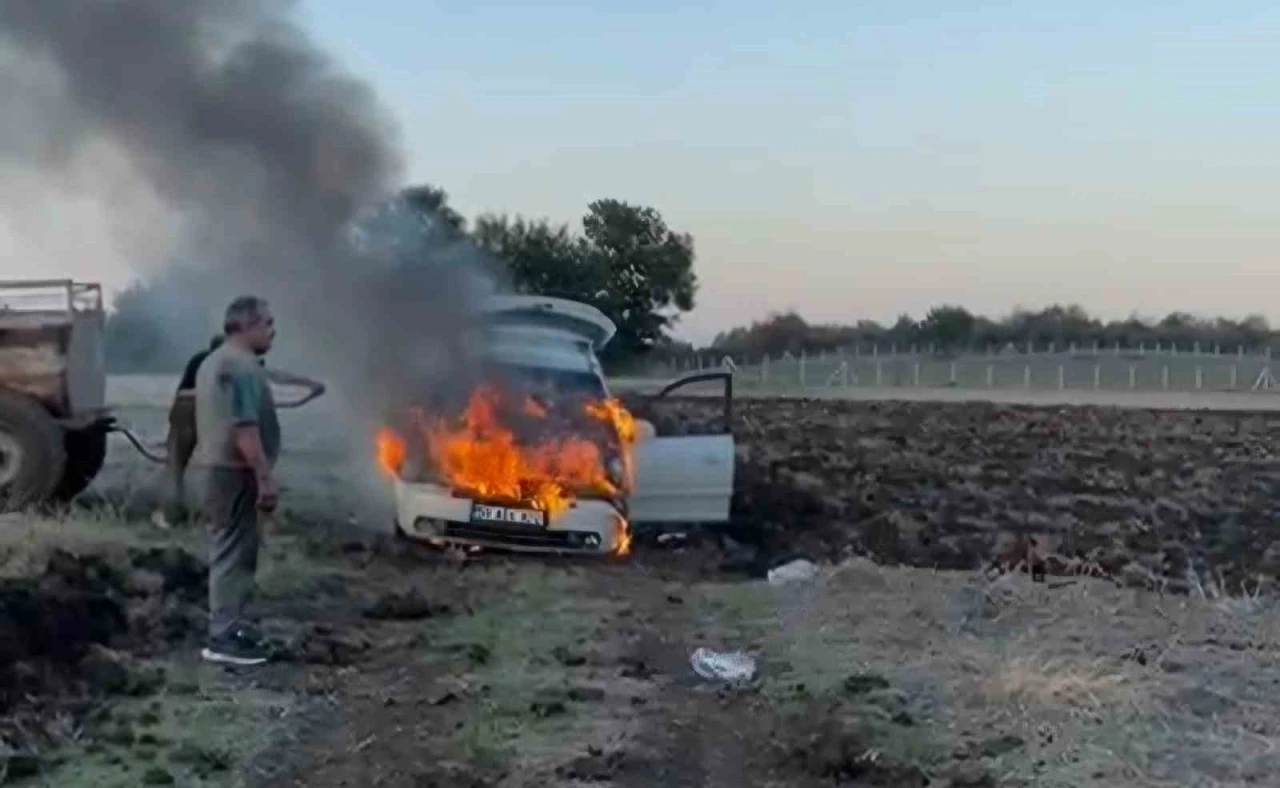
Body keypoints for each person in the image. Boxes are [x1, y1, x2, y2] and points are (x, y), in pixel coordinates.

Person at [153, 333, 326, 531]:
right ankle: (227, 516)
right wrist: (310, 384)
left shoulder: (199, 361)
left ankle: (168, 515)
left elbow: (183, 395)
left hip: (184, 407)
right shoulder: (235, 362)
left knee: (176, 466)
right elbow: (275, 375)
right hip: (206, 409)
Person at [194, 295, 284, 666]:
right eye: (267, 323)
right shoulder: (241, 366)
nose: (272, 331)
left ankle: (232, 625)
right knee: (232, 552)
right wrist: (264, 478)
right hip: (235, 471)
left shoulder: (213, 361)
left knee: (234, 549)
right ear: (246, 326)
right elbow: (245, 428)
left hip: (220, 469)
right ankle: (223, 637)